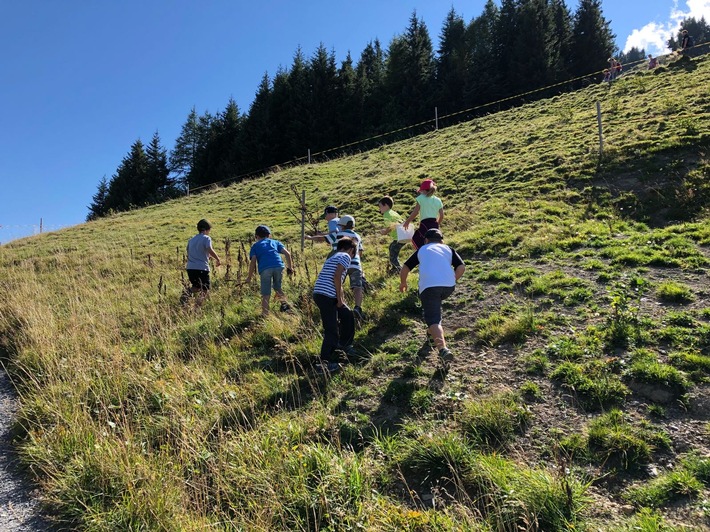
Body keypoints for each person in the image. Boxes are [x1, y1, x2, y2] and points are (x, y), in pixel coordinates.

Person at [399, 228, 465, 362]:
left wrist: (403, 283)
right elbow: (461, 267)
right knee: (433, 312)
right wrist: (453, 279)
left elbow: (405, 267)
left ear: (426, 240)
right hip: (448, 287)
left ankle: (443, 349)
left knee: (433, 318)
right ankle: (430, 334)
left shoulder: (422, 249)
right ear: (441, 240)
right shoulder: (448, 249)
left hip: (429, 287)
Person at [312, 237, 358, 372]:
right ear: (350, 249)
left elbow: (338, 280)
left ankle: (343, 345)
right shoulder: (345, 256)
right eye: (353, 253)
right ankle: (323, 363)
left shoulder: (333, 256)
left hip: (322, 293)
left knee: (347, 314)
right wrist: (339, 298)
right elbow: (337, 277)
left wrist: (341, 300)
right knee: (331, 330)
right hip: (327, 295)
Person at [245, 225, 294, 316]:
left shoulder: (255, 246)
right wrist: (290, 268)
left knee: (266, 293)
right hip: (279, 266)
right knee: (277, 287)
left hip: (265, 269)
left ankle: (265, 314)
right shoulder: (275, 242)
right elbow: (287, 254)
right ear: (269, 235)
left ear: (256, 236)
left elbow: (253, 261)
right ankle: (286, 308)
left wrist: (249, 277)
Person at [334, 215, 366, 320]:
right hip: (356, 264)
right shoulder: (357, 236)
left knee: (339, 284)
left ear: (343, 226)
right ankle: (357, 307)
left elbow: (335, 249)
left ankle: (340, 305)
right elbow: (360, 252)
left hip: (341, 263)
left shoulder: (339, 235)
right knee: (357, 286)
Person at [184, 219, 221, 304]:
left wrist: (206, 256)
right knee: (205, 289)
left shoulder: (191, 240)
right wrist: (217, 259)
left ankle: (185, 295)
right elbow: (209, 249)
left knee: (196, 287)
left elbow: (189, 251)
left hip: (190, 268)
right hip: (201, 268)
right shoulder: (206, 238)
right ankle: (197, 307)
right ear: (207, 229)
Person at [403, 178, 444, 251]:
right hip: (435, 224)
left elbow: (416, 212)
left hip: (425, 223)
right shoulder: (438, 200)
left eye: (421, 191)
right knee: (434, 241)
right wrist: (437, 223)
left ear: (424, 190)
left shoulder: (421, 198)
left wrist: (408, 221)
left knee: (416, 238)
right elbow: (441, 215)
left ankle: (422, 253)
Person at [378, 195, 405, 273]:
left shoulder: (387, 214)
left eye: (380, 206)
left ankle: (398, 269)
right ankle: (395, 268)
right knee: (392, 248)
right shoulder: (393, 213)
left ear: (385, 205)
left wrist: (385, 232)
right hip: (402, 236)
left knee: (393, 253)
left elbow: (390, 226)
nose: (379, 209)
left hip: (398, 237)